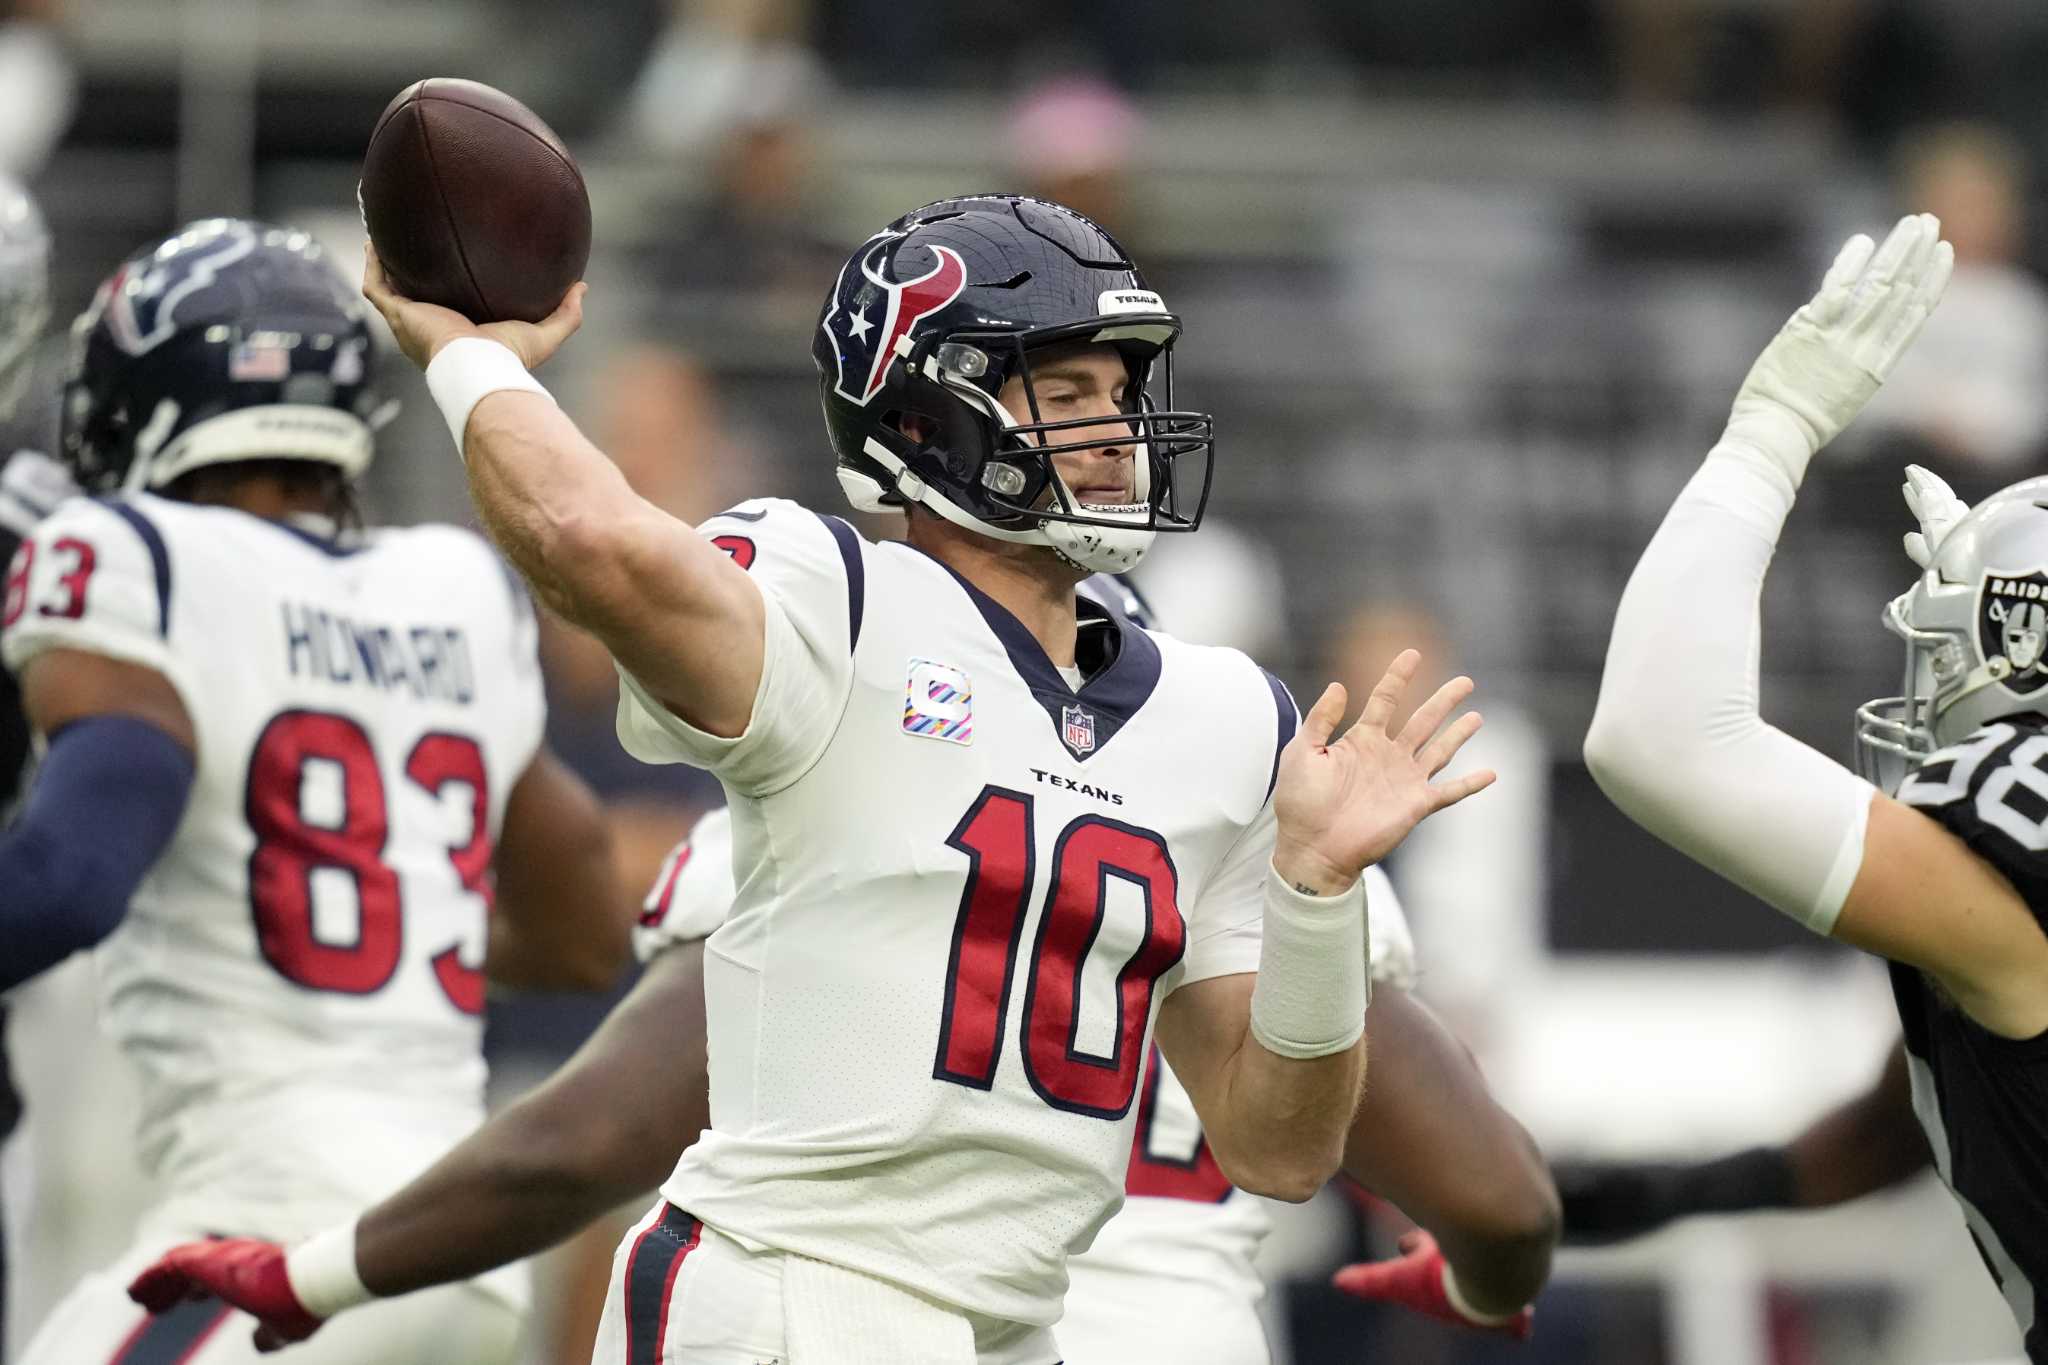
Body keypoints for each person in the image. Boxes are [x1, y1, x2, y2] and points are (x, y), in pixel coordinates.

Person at [136, 192, 1493, 1362]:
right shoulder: (833, 600)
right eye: (1066, 392)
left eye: (1120, 393)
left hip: (1019, 1319)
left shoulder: (1227, 720)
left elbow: (1277, 1145)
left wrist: (1316, 899)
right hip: (791, 1296)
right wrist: (474, 360)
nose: (1118, 430)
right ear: (928, 413)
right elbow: (591, 539)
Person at [130, 579, 1554, 1361]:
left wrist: (316, 1272)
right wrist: (1483, 1285)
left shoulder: (848, 812)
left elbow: (582, 1146)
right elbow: (1503, 1197)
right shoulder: (1262, 829)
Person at [0, 217, 630, 1363]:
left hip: (270, 1245)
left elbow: (68, 882)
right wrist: (386, 916)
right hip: (456, 1254)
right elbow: (585, 932)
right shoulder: (446, 583)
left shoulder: (131, 557)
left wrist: (280, 908)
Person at [1585, 211, 2048, 1359]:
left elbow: (1657, 737)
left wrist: (1768, 433)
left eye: (1940, 655)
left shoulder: (2006, 898)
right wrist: (1646, 1202)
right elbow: (1929, 1114)